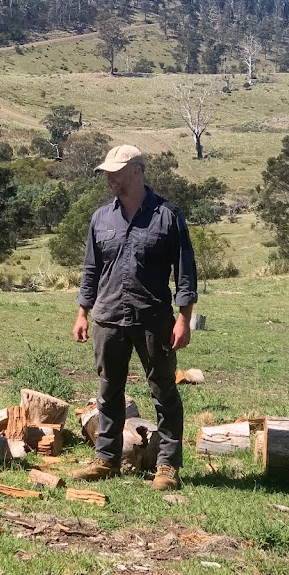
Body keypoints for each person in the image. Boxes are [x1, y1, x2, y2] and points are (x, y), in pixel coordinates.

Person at [70, 144, 198, 491]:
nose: (110, 177)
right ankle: (106, 460)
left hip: (154, 318)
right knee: (109, 391)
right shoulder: (101, 218)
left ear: (137, 171)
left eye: (116, 171)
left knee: (164, 391)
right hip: (107, 317)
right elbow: (90, 269)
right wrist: (83, 312)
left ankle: (168, 466)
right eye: (107, 172)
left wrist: (184, 319)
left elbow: (185, 273)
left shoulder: (168, 216)